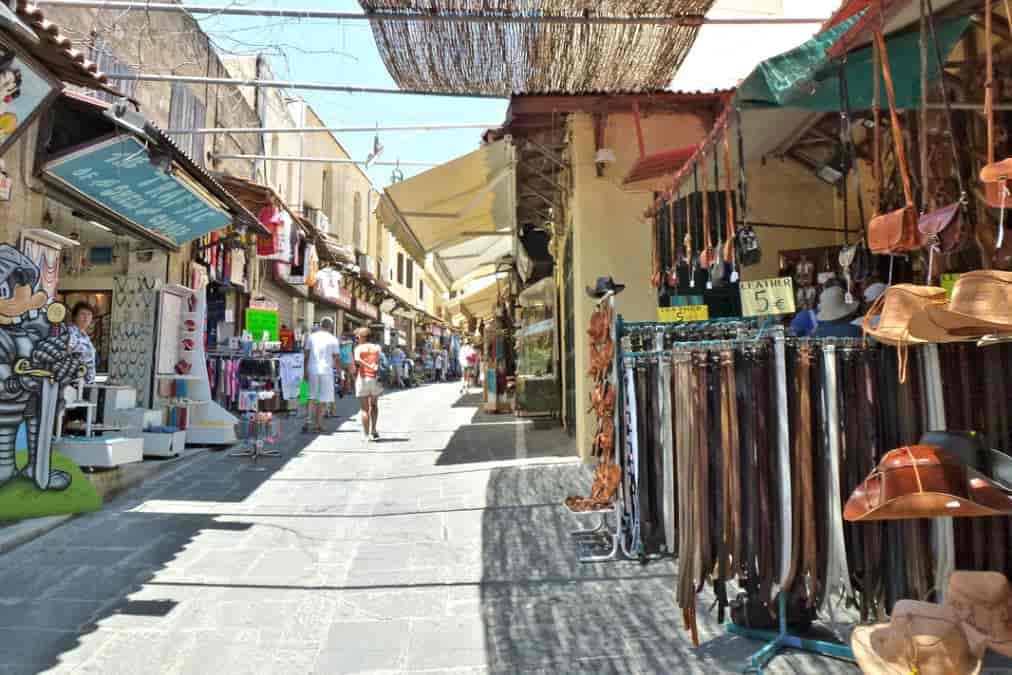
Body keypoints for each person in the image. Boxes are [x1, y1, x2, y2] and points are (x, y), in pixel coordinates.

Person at [302, 317, 340, 433]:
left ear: (320, 325)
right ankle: (318, 424)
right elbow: (336, 357)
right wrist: (338, 370)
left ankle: (308, 420)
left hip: (312, 370)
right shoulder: (333, 339)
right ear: (331, 326)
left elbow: (306, 356)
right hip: (326, 371)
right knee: (323, 399)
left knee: (311, 396)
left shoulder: (311, 337)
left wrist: (305, 372)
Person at [353, 327, 383, 441]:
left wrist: (367, 366)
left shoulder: (359, 348)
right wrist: (373, 367)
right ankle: (374, 430)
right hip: (375, 379)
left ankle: (366, 435)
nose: (357, 339)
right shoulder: (377, 347)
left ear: (363, 337)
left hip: (363, 378)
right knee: (374, 405)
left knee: (364, 409)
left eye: (358, 337)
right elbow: (379, 361)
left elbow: (357, 360)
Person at [67, 301, 97, 384]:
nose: (86, 317)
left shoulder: (85, 335)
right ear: (75, 317)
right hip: (75, 384)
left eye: (89, 314)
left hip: (87, 383)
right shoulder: (71, 332)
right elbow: (65, 355)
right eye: (82, 314)